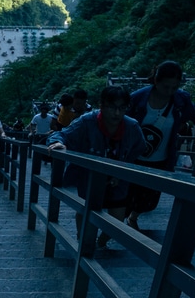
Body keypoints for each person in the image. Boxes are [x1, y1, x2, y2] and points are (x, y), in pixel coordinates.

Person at [125, 61, 195, 230]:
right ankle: (116, 224)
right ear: (156, 81)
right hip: (134, 156)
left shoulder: (181, 99)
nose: (170, 92)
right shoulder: (138, 98)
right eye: (166, 87)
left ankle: (132, 218)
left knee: (150, 197)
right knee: (127, 193)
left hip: (161, 158)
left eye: (175, 87)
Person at [48, 85, 146, 248]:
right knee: (86, 211)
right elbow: (62, 134)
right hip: (89, 178)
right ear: (101, 105)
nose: (116, 113)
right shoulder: (87, 121)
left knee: (116, 221)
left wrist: (123, 167)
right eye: (112, 107)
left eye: (122, 108)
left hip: (118, 179)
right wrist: (57, 143)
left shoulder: (131, 126)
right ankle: (85, 241)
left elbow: (139, 147)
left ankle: (100, 243)